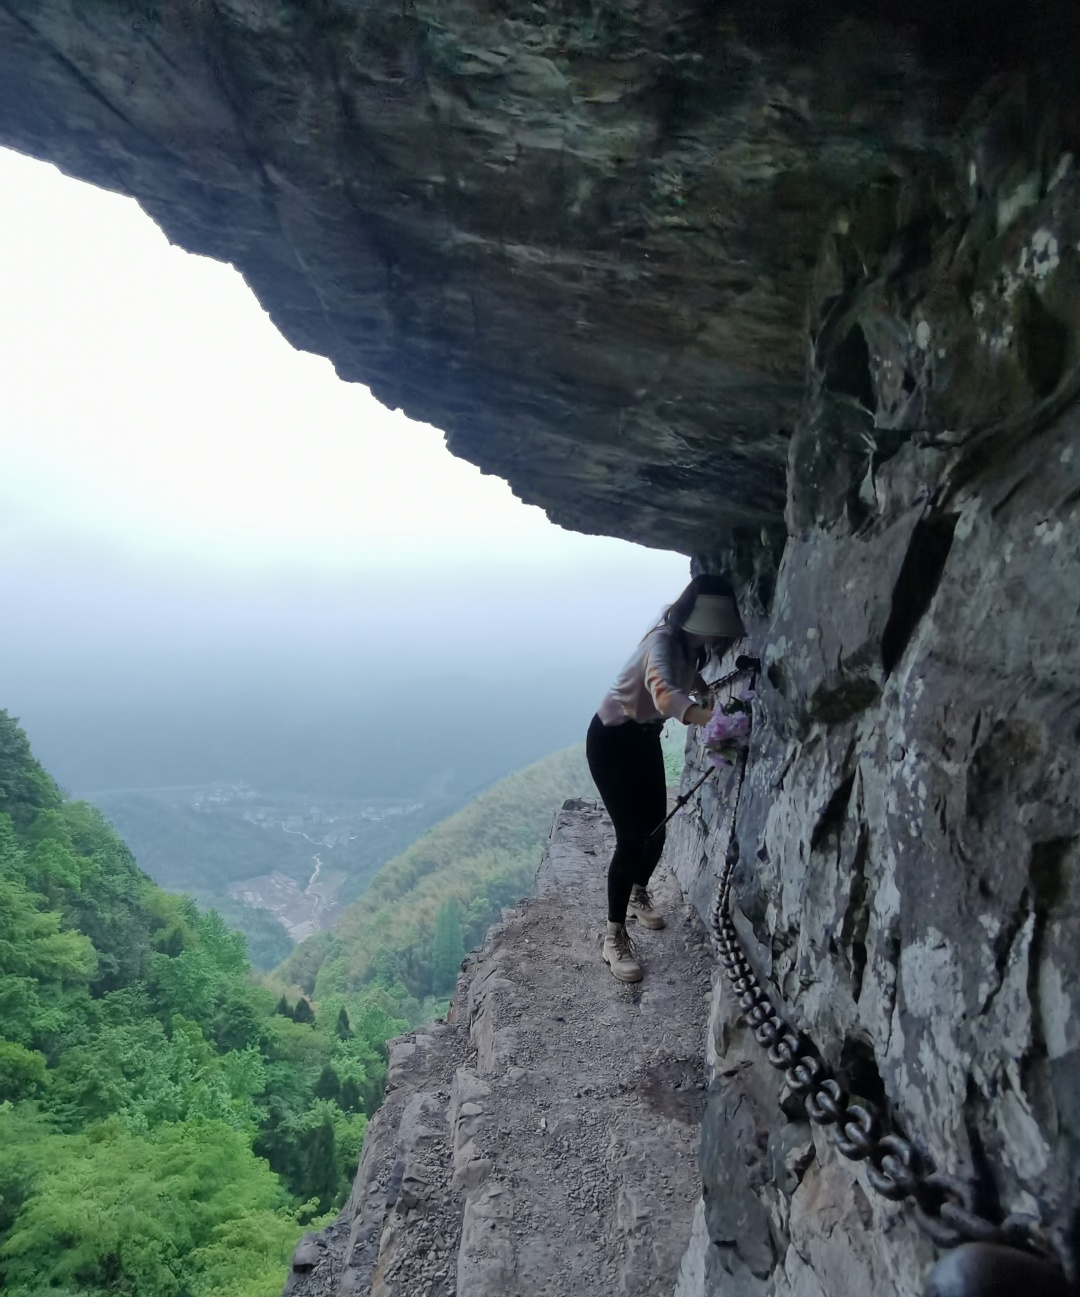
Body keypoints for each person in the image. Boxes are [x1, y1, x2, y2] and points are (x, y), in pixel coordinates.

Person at [586, 574, 745, 983]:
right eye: (711, 626)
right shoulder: (661, 641)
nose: (713, 635)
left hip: (644, 739)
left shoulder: (687, 646)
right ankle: (613, 936)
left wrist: (704, 691)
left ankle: (639, 892)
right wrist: (716, 720)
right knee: (631, 837)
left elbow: (684, 676)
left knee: (656, 831)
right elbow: (663, 692)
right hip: (611, 741)